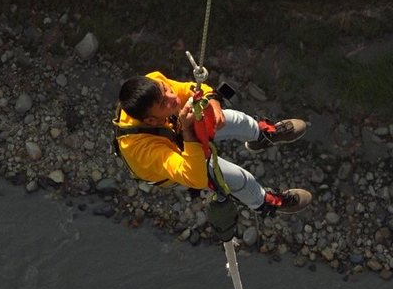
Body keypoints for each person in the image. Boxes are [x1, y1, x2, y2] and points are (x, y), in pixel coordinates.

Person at [114, 71, 312, 217]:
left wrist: (212, 100)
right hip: (181, 163)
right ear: (151, 121)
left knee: (234, 119)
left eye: (166, 90)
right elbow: (195, 178)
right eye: (164, 103)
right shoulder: (141, 151)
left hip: (179, 130)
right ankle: (266, 202)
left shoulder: (154, 84)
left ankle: (261, 135)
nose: (173, 98)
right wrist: (189, 131)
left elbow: (188, 90)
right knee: (240, 179)